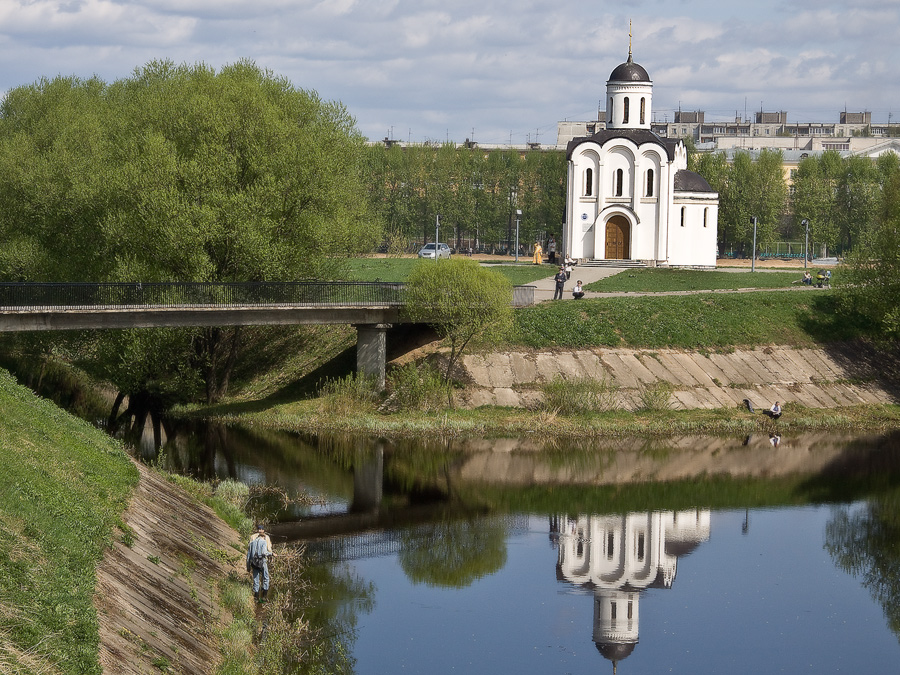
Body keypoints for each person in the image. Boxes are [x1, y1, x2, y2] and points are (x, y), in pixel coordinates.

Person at [246, 524, 276, 602]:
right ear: (263, 536)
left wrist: (248, 566)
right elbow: (264, 552)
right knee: (265, 578)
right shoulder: (264, 542)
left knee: (256, 579)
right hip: (262, 562)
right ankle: (264, 596)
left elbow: (248, 555)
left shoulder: (251, 543)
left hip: (254, 563)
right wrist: (272, 554)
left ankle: (256, 597)